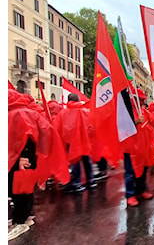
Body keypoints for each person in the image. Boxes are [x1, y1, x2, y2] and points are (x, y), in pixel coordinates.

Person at [8, 89, 70, 240]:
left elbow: (26, 136)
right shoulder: (28, 112)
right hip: (30, 157)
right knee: (24, 188)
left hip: (21, 158)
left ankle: (20, 221)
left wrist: (23, 156)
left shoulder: (17, 113)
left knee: (18, 189)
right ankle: (25, 216)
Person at [121, 88, 154, 207]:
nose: (142, 101)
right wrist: (135, 121)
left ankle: (140, 190)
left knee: (143, 171)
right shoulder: (126, 111)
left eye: (142, 99)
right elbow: (121, 127)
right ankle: (130, 195)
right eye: (140, 99)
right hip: (131, 147)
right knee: (131, 172)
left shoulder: (144, 111)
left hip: (143, 147)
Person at [53, 93, 97, 193]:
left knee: (74, 161)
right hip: (84, 141)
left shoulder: (63, 113)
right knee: (86, 159)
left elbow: (58, 128)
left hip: (71, 142)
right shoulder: (85, 111)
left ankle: (77, 183)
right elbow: (92, 127)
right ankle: (91, 180)